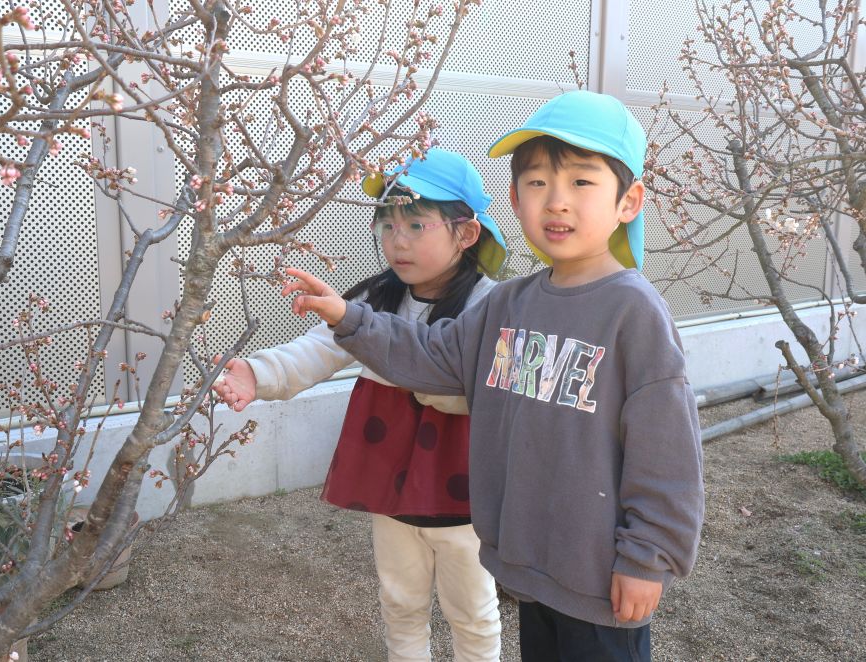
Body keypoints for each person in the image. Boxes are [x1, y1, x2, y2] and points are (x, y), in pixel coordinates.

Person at [280, 91, 705, 662]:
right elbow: (432, 356)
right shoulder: (508, 304)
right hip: (529, 568)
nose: (556, 201)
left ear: (628, 201)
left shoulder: (633, 312)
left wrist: (648, 557)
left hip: (599, 576)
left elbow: (667, 450)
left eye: (581, 182)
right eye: (537, 183)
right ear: (514, 199)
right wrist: (348, 317)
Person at [214, 148, 508, 661]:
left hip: (462, 485)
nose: (397, 241)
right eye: (387, 225)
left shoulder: (490, 305)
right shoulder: (378, 297)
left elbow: (489, 391)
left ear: (466, 233)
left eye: (416, 225)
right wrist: (258, 374)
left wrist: (422, 383)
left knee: (472, 611)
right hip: (388, 472)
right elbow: (318, 348)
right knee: (400, 599)